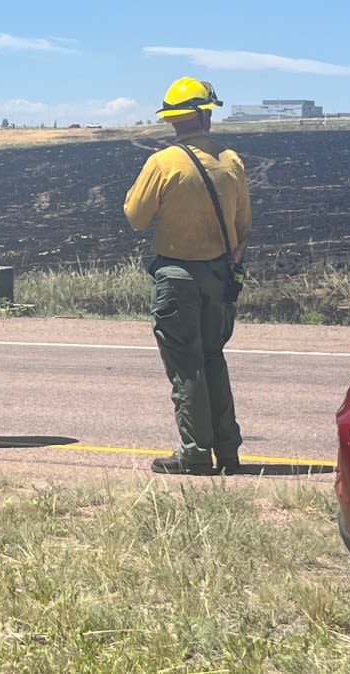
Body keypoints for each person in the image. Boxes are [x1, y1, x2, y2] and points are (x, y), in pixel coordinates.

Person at [123, 77, 252, 475]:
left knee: (186, 364)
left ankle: (195, 452)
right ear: (204, 116)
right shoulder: (231, 161)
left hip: (176, 278)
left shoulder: (162, 163)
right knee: (214, 357)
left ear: (174, 120)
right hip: (219, 274)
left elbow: (135, 217)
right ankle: (227, 450)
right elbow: (243, 228)